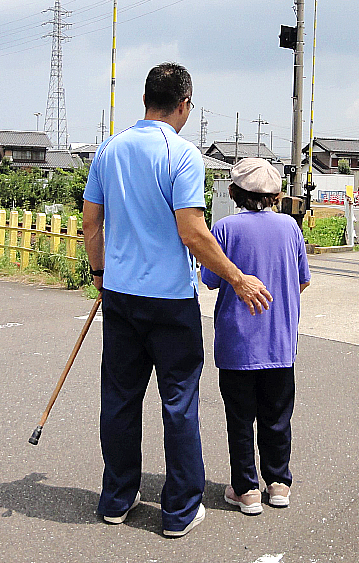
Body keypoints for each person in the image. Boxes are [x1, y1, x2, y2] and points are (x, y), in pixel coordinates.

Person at [82, 62, 273, 537]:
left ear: (145, 99)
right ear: (185, 103)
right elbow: (193, 232)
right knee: (179, 402)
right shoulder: (182, 155)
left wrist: (100, 274)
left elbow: (91, 222)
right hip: (170, 301)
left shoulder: (109, 149)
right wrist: (237, 278)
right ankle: (179, 510)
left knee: (121, 398)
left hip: (121, 297)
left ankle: (117, 499)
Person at [200, 158, 310, 515]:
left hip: (236, 344)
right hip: (279, 343)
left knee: (240, 419)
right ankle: (278, 484)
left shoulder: (225, 228)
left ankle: (246, 490)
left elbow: (210, 279)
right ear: (277, 196)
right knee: (277, 417)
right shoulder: (290, 229)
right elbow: (302, 279)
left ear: (232, 192)